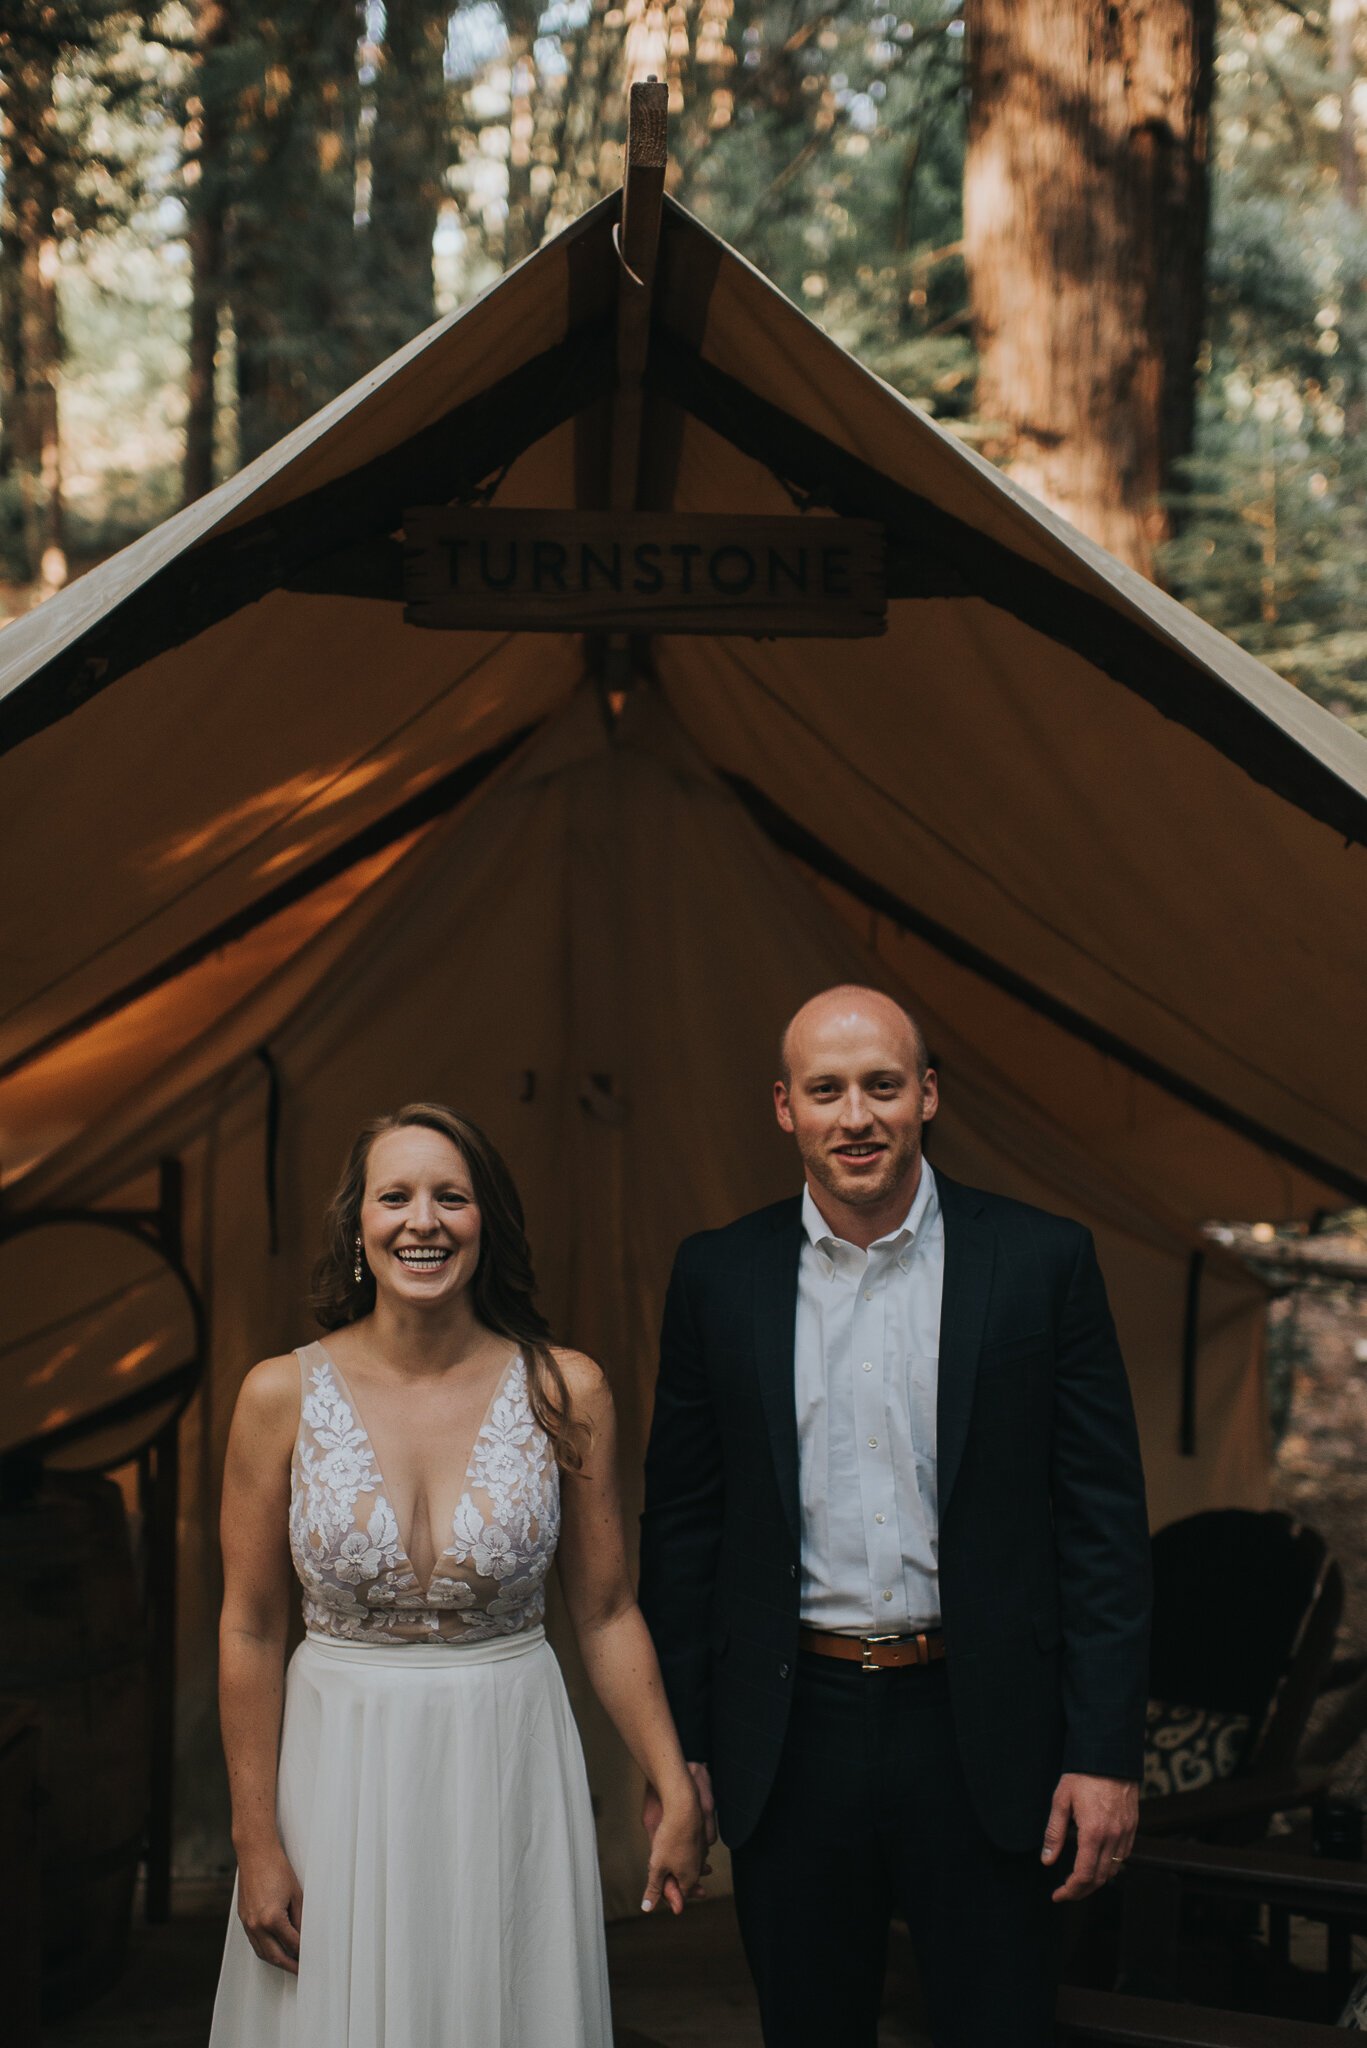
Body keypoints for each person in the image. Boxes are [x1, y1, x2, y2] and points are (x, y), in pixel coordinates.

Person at [638, 986, 1152, 2046]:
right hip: (789, 1728)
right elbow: (683, 1528)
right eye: (825, 1089)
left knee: (998, 2024)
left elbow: (1101, 1522)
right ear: (784, 1107)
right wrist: (675, 1746)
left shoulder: (1041, 1260)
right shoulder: (716, 1275)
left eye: (880, 1084)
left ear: (926, 1094)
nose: (855, 1114)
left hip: (987, 1726)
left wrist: (1103, 1750)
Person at [210, 1102, 705, 2048]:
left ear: (489, 1222)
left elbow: (603, 1613)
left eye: (452, 1196)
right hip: (335, 1770)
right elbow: (250, 1629)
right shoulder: (279, 1395)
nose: (422, 1221)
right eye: (394, 1196)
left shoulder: (566, 1389)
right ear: (359, 1224)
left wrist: (671, 1781)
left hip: (504, 1758)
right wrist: (255, 1837)